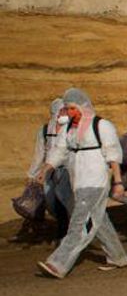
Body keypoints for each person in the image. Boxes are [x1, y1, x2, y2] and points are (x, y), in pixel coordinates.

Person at [33, 88, 127, 278]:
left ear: (82, 107)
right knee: (98, 220)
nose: (69, 113)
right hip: (78, 181)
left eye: (72, 109)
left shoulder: (102, 126)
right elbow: (59, 151)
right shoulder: (69, 128)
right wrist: (45, 170)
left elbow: (113, 156)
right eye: (67, 109)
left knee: (79, 222)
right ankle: (118, 257)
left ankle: (58, 264)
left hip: (96, 181)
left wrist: (118, 182)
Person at [20, 98, 71, 242]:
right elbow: (39, 154)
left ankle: (65, 235)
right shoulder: (44, 131)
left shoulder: (71, 128)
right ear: (55, 112)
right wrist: (32, 174)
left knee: (64, 202)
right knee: (51, 202)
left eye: (66, 110)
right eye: (62, 110)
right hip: (49, 173)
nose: (65, 113)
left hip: (67, 172)